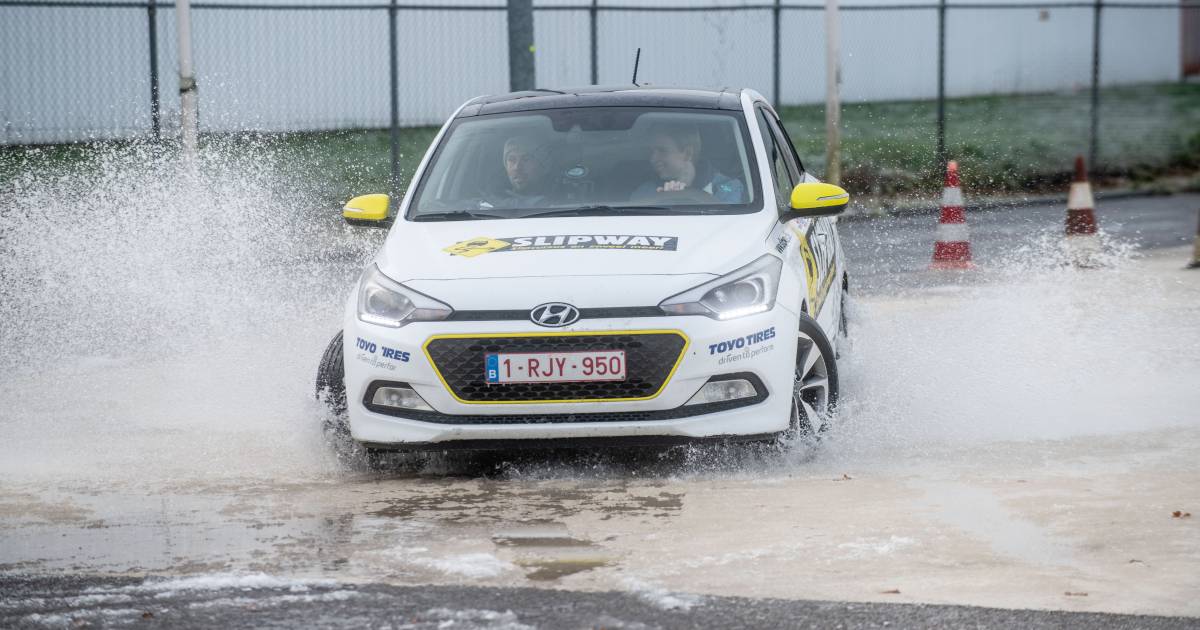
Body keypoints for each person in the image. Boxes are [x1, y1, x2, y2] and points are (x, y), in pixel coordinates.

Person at [632, 124, 746, 203]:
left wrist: (687, 193)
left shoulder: (728, 187)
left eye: (662, 150)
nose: (653, 158)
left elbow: (729, 228)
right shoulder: (644, 191)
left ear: (687, 153)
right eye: (651, 151)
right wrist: (666, 198)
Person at [493, 134, 555, 208]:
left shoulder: (562, 201)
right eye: (511, 160)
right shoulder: (489, 203)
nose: (517, 167)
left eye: (525, 160)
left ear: (543, 166)